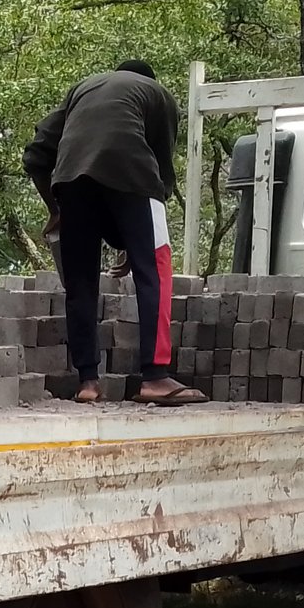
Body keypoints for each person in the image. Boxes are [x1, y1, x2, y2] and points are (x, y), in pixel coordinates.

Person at [24, 60, 202, 407]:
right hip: (133, 174)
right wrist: (136, 243)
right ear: (147, 80)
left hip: (71, 180)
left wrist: (55, 209)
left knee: (80, 283)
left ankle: (87, 382)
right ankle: (155, 377)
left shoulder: (83, 88)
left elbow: (35, 155)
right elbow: (160, 174)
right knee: (155, 271)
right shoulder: (158, 94)